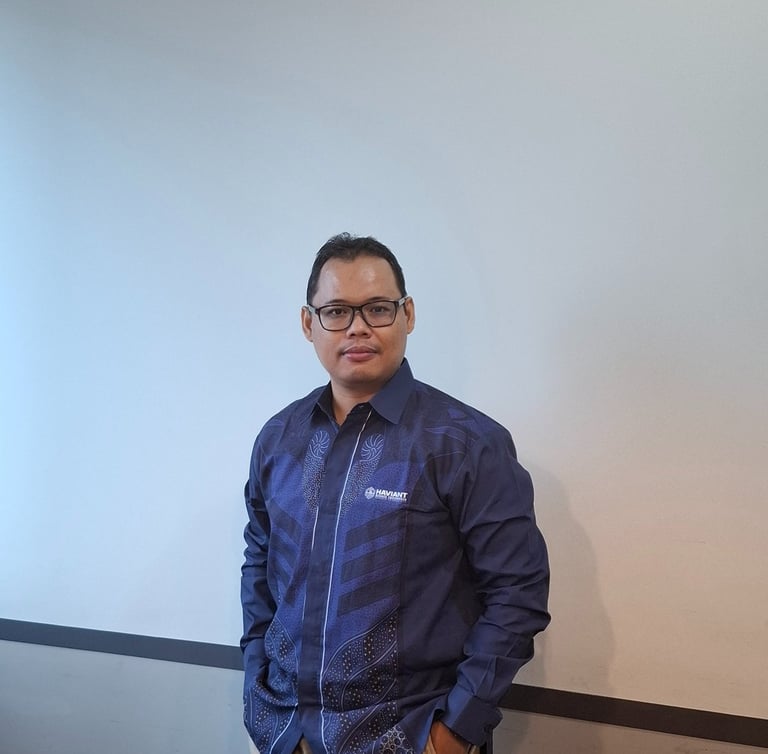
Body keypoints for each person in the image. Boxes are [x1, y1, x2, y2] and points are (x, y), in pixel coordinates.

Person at [240, 233, 550, 754]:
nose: (357, 326)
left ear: (407, 314)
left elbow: (517, 595)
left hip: (410, 735)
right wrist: (258, 693)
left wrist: (453, 735)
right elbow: (259, 565)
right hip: (288, 734)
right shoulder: (279, 439)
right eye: (336, 311)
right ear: (308, 323)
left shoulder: (465, 444)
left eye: (378, 309)